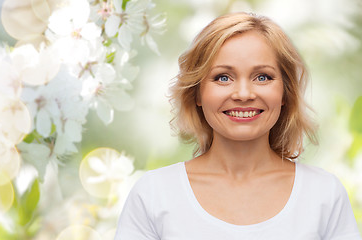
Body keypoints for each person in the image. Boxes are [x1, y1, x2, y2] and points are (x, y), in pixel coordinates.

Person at [114, 12, 361, 239]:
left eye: (262, 77)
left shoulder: (324, 194)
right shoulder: (154, 194)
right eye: (223, 77)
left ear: (285, 93)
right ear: (197, 93)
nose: (243, 94)